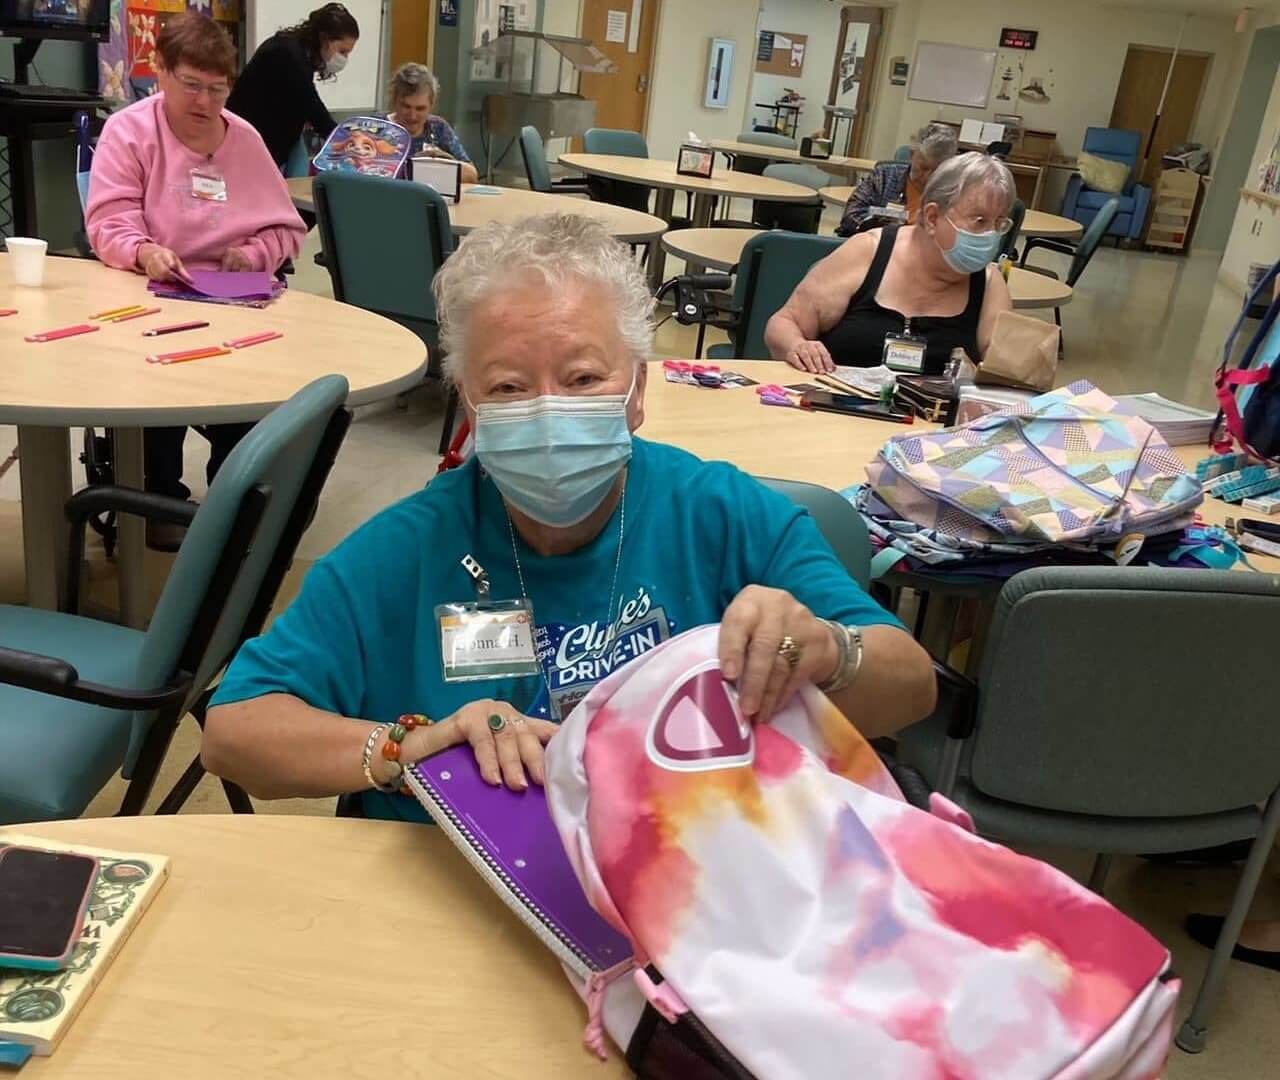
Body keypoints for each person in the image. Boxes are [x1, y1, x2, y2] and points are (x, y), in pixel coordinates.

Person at [201, 214, 937, 821]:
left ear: (639, 388)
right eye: (509, 386)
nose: (549, 410)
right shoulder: (408, 548)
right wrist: (405, 748)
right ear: (469, 402)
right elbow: (234, 730)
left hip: (676, 891)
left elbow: (909, 685)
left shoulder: (722, 514)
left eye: (584, 378)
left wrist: (829, 652)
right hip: (453, 895)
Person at [85, 13, 306, 550]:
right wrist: (144, 251)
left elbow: (286, 228)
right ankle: (160, 500)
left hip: (235, 297)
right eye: (191, 85)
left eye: (217, 88)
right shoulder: (130, 131)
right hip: (151, 293)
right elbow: (107, 222)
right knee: (154, 385)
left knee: (258, 386)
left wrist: (253, 252)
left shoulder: (246, 140)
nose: (205, 102)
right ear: (160, 72)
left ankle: (233, 500)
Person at [766, 152, 1015, 376]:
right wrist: (798, 346)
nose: (990, 235)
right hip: (835, 414)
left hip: (930, 424)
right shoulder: (867, 251)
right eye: (979, 220)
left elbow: (1007, 376)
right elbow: (784, 324)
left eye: (999, 223)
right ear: (932, 217)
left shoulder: (989, 283)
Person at [226, 3, 360, 169]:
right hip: (248, 142)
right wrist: (346, 141)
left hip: (272, 140)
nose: (344, 59)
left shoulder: (295, 50)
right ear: (324, 38)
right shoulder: (288, 54)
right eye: (342, 51)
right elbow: (312, 106)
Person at [836, 123, 959, 237]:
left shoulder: (951, 192)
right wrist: (880, 226)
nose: (927, 176)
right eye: (923, 167)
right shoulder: (884, 176)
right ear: (912, 155)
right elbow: (851, 215)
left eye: (936, 170)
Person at [387, 62, 479, 184]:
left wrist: (441, 163)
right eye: (406, 106)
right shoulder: (377, 128)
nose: (412, 116)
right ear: (394, 101)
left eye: (420, 108)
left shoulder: (438, 128)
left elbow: (471, 175)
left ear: (432, 105)